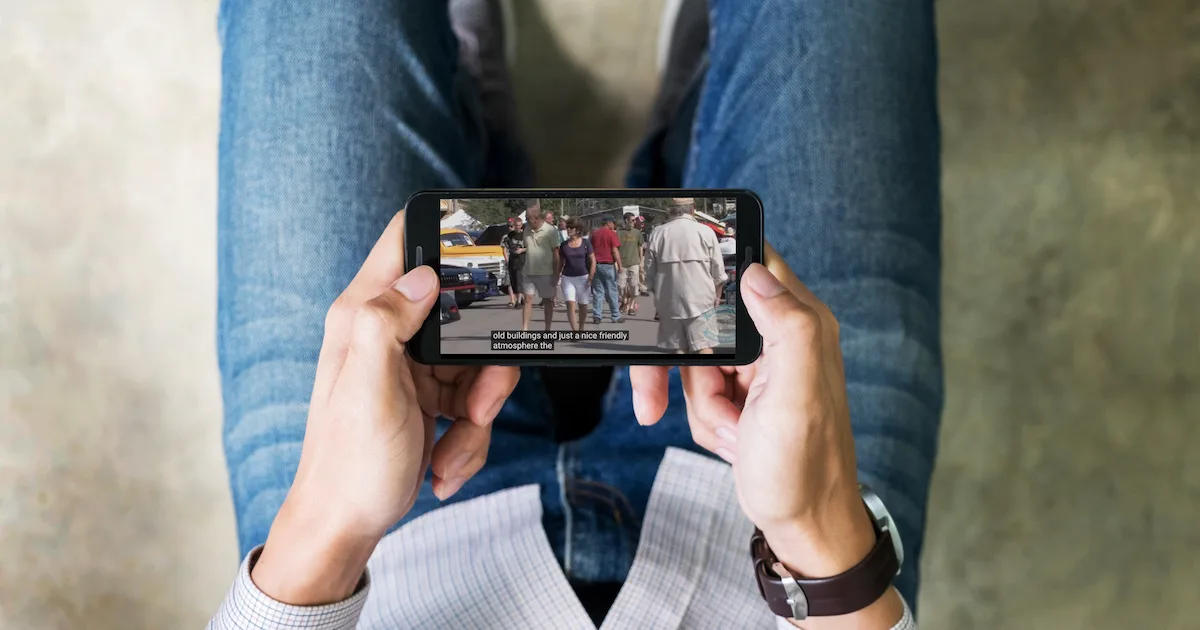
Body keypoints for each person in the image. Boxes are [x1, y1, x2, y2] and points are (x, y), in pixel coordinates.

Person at [210, 0, 941, 627]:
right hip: (774, 542)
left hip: (380, 545)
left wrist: (323, 536)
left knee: (312, 25)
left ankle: (470, 108)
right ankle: (694, 99)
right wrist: (822, 542)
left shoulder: (342, 528)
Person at [644, 198, 728, 354]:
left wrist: (656, 295)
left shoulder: (658, 232)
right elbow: (718, 270)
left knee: (678, 348)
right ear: (692, 209)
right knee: (703, 345)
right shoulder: (705, 231)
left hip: (669, 299)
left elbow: (649, 270)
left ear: (670, 210)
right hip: (701, 298)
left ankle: (682, 377)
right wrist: (716, 297)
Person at [518, 199, 562, 331]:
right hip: (529, 272)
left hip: (546, 272)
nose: (527, 221)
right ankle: (525, 329)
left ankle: (547, 329)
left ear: (537, 218)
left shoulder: (551, 231)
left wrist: (556, 274)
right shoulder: (526, 229)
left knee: (547, 301)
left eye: (529, 218)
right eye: (526, 218)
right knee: (528, 300)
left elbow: (556, 254)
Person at [557, 218, 596, 332]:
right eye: (567, 227)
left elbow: (593, 260)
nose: (568, 229)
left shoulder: (585, 243)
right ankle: (574, 331)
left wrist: (590, 277)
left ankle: (581, 327)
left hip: (583, 277)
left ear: (578, 230)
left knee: (583, 305)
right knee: (570, 304)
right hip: (567, 278)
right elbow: (561, 262)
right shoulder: (564, 245)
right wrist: (556, 275)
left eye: (571, 228)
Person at [589, 215, 623, 324]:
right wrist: (620, 265)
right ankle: (615, 316)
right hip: (608, 265)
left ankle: (597, 315)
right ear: (608, 223)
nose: (614, 225)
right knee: (611, 291)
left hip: (596, 265)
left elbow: (590, 250)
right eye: (613, 223)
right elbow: (614, 251)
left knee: (598, 292)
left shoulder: (594, 234)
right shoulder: (612, 234)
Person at [617, 212, 644, 316]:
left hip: (634, 263)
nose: (634, 222)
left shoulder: (637, 233)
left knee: (633, 286)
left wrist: (641, 261)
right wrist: (616, 262)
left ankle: (631, 306)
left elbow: (640, 247)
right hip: (622, 263)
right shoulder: (619, 232)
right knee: (621, 286)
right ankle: (624, 300)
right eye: (632, 220)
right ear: (626, 221)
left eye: (635, 220)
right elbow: (615, 248)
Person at [500, 216, 526, 309]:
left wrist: (522, 250)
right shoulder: (510, 236)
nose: (517, 227)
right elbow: (506, 247)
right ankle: (520, 298)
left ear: (521, 225)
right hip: (512, 260)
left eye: (519, 225)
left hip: (522, 260)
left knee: (519, 280)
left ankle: (518, 302)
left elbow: (531, 246)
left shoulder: (526, 235)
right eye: (516, 225)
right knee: (513, 281)